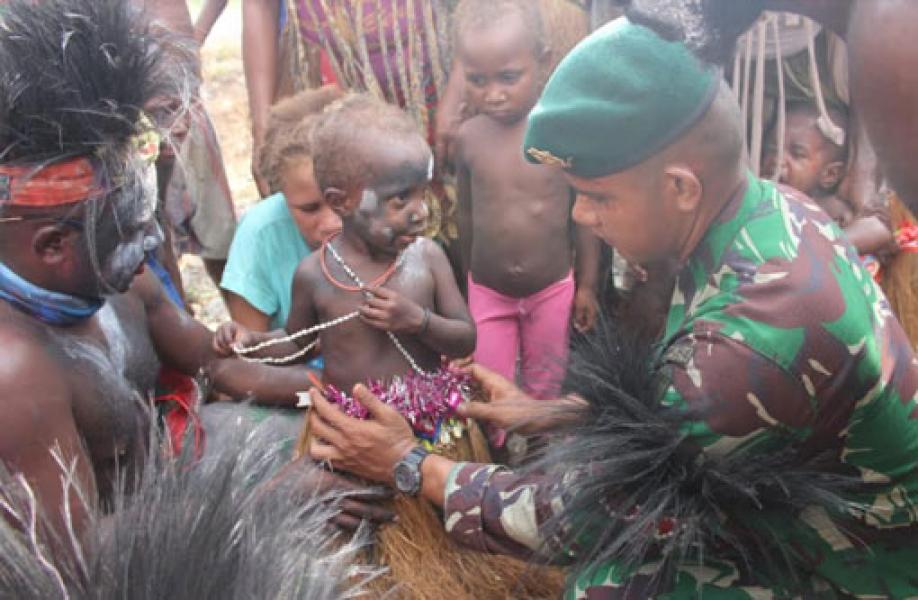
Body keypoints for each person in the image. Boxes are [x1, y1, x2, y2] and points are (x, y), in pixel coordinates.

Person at [306, 18, 918, 598]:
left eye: (598, 197)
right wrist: (553, 412)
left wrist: (410, 465)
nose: (581, 216)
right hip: (805, 506)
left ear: (680, 187)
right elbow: (684, 405)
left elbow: (577, 517)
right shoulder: (771, 212)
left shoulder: (753, 341)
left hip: (862, 570)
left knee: (611, 581)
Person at [0, 0, 386, 547]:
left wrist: (361, 388)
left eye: (147, 222)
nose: (153, 244)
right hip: (128, 554)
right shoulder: (15, 374)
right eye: (129, 232)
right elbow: (79, 556)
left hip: (173, 475)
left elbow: (216, 365)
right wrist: (267, 499)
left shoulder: (120, 278)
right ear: (52, 246)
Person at [218, 93, 476, 394]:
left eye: (423, 193)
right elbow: (297, 344)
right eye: (401, 198)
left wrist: (419, 321)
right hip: (348, 419)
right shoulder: (316, 273)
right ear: (341, 202)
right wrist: (251, 341)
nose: (421, 212)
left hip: (427, 415)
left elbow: (465, 339)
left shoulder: (427, 258)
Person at [452, 0, 600, 438]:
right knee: (488, 383)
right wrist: (467, 284)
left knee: (544, 384)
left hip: (550, 289)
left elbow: (584, 215)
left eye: (508, 77)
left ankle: (540, 455)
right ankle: (493, 455)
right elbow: (465, 215)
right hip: (489, 291)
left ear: (543, 61)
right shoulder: (469, 139)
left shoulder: (559, 133)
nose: (493, 93)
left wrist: (588, 285)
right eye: (477, 80)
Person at [221, 87, 342, 332]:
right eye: (310, 209)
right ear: (282, 194)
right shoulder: (260, 233)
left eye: (341, 202)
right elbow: (250, 345)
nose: (332, 223)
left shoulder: (394, 217)